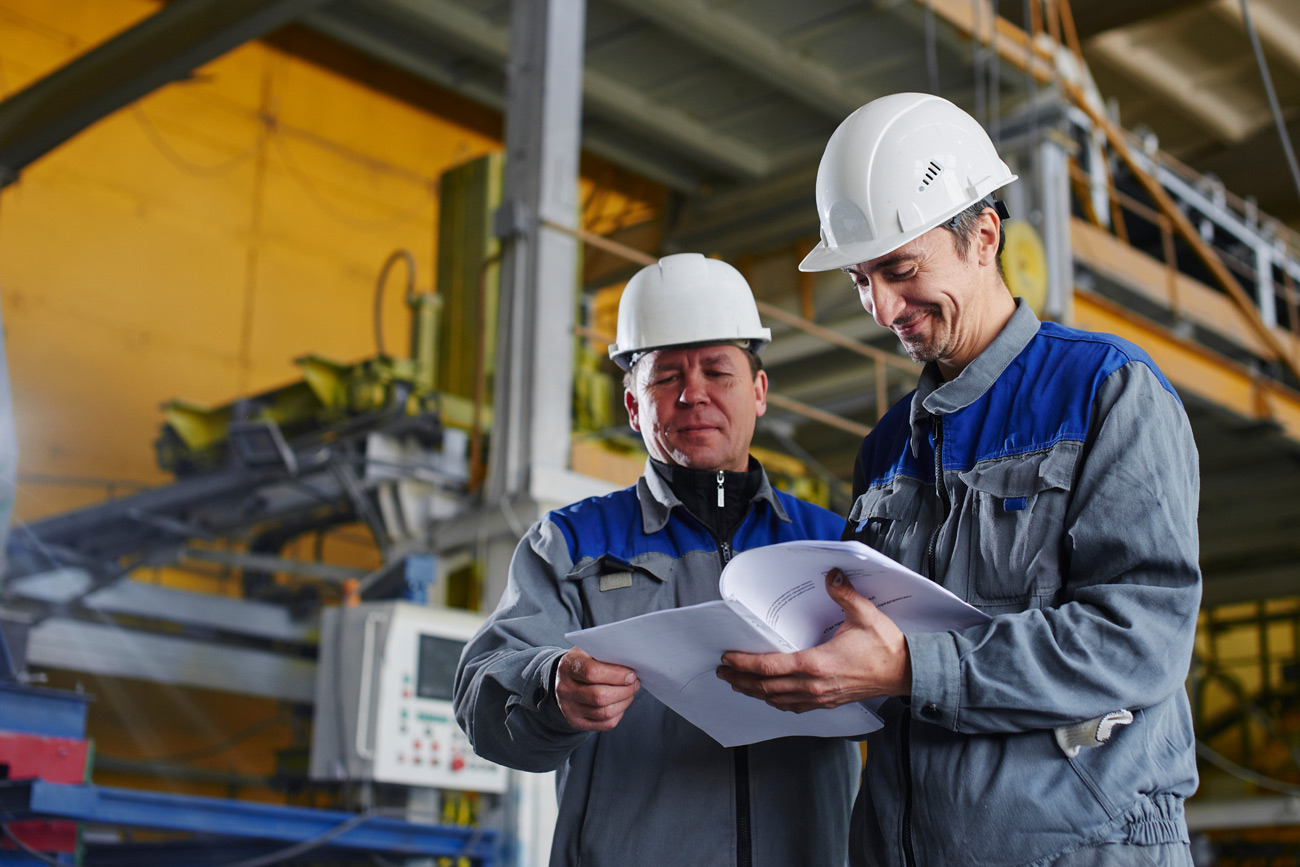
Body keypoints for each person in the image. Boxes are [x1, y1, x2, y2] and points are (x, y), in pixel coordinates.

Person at [717, 93, 1202, 866]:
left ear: (983, 236)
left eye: (901, 269)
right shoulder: (885, 448)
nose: (882, 308)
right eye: (860, 279)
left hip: (1081, 850)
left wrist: (913, 666)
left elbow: (1139, 641)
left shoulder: (1108, 393)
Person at [454, 253, 859, 867]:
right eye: (666, 377)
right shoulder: (569, 543)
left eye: (717, 372)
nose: (693, 395)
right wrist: (550, 687)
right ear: (634, 406)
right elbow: (480, 692)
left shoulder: (834, 545)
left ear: (759, 391)